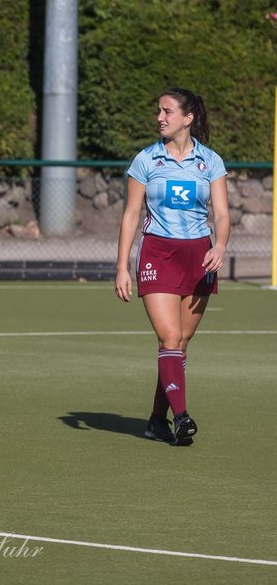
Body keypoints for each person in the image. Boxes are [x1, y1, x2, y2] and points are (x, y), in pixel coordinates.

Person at [115, 87, 230, 446]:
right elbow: (131, 215)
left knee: (179, 345)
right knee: (169, 338)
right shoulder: (146, 160)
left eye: (167, 111)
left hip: (199, 256)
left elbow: (223, 215)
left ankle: (155, 420)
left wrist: (221, 246)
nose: (160, 117)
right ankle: (181, 417)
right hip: (158, 254)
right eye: (158, 111)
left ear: (188, 118)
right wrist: (122, 266)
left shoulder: (210, 161)